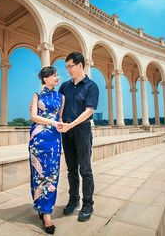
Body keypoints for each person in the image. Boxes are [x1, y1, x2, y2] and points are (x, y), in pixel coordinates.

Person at [58, 51, 99, 222]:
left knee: (85, 169)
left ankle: (87, 203)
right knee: (71, 169)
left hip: (82, 130)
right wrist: (60, 121)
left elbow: (89, 111)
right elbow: (58, 106)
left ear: (80, 65)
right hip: (66, 132)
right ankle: (73, 199)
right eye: (66, 67)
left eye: (70, 66)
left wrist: (70, 125)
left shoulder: (91, 86)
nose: (68, 70)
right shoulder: (65, 86)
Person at [29, 66, 65, 234]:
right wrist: (52, 123)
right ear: (45, 79)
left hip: (54, 139)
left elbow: (60, 118)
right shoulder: (36, 96)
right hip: (38, 139)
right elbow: (34, 117)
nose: (57, 77)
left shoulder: (61, 97)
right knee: (38, 174)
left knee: (52, 174)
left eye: (57, 75)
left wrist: (61, 126)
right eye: (54, 75)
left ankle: (46, 211)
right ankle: (42, 210)